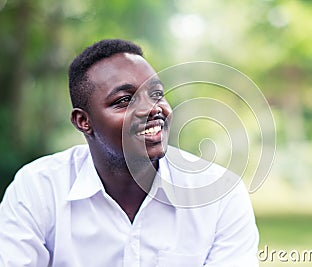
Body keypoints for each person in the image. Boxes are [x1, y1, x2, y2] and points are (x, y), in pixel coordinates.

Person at [0, 39, 259, 266]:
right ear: (83, 121)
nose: (152, 109)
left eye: (156, 94)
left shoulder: (219, 194)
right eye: (124, 100)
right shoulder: (38, 189)